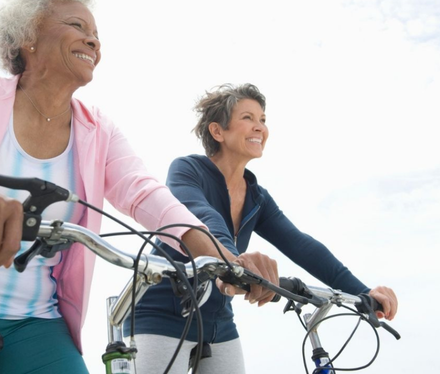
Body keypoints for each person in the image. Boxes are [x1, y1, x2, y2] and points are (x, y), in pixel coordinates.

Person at [0, 0, 278, 373]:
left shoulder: (98, 131)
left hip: (33, 320)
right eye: (78, 27)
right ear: (28, 34)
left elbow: (146, 194)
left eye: (96, 35)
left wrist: (223, 259)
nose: (93, 42)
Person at [126, 83, 399, 373]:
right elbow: (203, 217)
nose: (259, 127)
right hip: (160, 314)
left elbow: (301, 245)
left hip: (219, 324)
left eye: (263, 120)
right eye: (248, 118)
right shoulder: (187, 170)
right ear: (218, 131)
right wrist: (237, 263)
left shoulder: (257, 197)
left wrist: (363, 293)